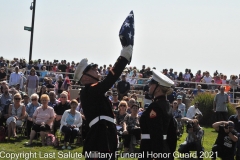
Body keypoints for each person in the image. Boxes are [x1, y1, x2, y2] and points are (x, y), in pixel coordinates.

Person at [74, 33, 133, 160]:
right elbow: (110, 79)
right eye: (93, 70)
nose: (97, 70)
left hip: (106, 135)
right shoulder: (88, 91)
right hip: (99, 138)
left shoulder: (93, 91)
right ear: (84, 77)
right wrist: (123, 57)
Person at [139, 69, 177, 160]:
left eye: (151, 83)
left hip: (150, 150)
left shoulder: (155, 107)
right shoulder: (167, 105)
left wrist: (156, 155)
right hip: (164, 150)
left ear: (158, 88)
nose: (149, 85)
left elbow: (156, 133)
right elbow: (172, 134)